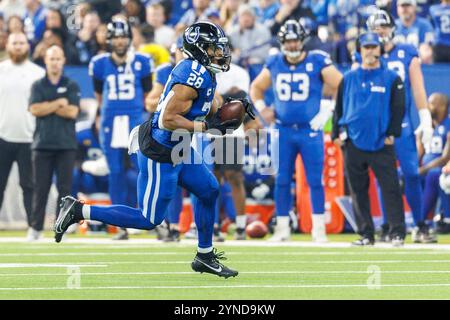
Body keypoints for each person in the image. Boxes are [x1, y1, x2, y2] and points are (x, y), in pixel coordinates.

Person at [54, 21, 255, 278]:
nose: (219, 53)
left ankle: (204, 255)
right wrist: (205, 127)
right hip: (162, 150)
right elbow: (166, 119)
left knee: (209, 189)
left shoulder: (202, 71)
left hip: (179, 146)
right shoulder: (192, 75)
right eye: (213, 48)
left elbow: (207, 101)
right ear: (199, 49)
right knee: (148, 219)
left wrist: (228, 108)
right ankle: (79, 210)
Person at [250, 20, 342, 242]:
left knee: (314, 180)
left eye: (295, 40)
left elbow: (342, 84)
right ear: (282, 42)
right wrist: (262, 108)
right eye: (288, 41)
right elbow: (256, 88)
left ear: (302, 41)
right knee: (281, 179)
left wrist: (328, 111)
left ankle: (318, 228)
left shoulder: (317, 60)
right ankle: (282, 228)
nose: (292, 45)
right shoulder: (274, 62)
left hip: (309, 131)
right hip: (282, 130)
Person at [359, 9, 433, 242]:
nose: (380, 32)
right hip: (377, 126)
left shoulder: (406, 52)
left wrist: (425, 118)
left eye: (384, 27)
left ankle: (420, 224)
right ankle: (389, 225)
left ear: (393, 29)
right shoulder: (365, 55)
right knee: (384, 177)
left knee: (411, 173)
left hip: (401, 124)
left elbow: (418, 87)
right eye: (376, 28)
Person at [333, 32, 406, 247]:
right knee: (358, 190)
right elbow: (339, 108)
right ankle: (366, 233)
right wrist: (336, 133)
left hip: (382, 142)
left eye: (374, 46)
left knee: (390, 187)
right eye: (366, 47)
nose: (371, 51)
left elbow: (399, 107)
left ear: (381, 50)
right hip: (353, 142)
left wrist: (392, 133)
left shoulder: (392, 77)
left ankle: (397, 232)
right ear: (359, 50)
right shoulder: (348, 77)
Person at [88, 17, 153, 240]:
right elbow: (99, 95)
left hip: (135, 119)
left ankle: (147, 217)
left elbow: (147, 94)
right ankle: (119, 225)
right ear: (109, 40)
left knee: (143, 169)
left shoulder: (143, 61)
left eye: (123, 37)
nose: (120, 41)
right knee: (115, 172)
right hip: (110, 121)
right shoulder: (99, 63)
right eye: (116, 37)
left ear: (129, 39)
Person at [28, 45, 80, 240]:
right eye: (52, 58)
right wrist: (58, 103)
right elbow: (34, 109)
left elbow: (72, 112)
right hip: (41, 145)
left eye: (58, 58)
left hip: (66, 145)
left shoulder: (72, 84)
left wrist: (46, 106)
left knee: (64, 190)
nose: (55, 62)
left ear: (63, 60)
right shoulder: (37, 85)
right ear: (46, 60)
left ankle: (61, 228)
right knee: (40, 188)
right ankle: (35, 228)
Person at [0, 32, 45, 241]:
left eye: (21, 43)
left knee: (29, 186)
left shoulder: (37, 72)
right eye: (14, 43)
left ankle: (33, 228)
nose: (18, 46)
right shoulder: (1, 70)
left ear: (27, 46)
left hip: (29, 138)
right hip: (2, 136)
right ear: (8, 46)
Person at [415, 93, 450, 243]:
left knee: (434, 175)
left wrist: (423, 169)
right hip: (427, 169)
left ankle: (420, 222)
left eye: (431, 103)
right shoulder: (426, 127)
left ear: (442, 106)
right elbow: (418, 155)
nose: (428, 107)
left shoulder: (448, 125)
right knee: (398, 176)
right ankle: (389, 223)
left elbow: (445, 157)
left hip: (442, 170)